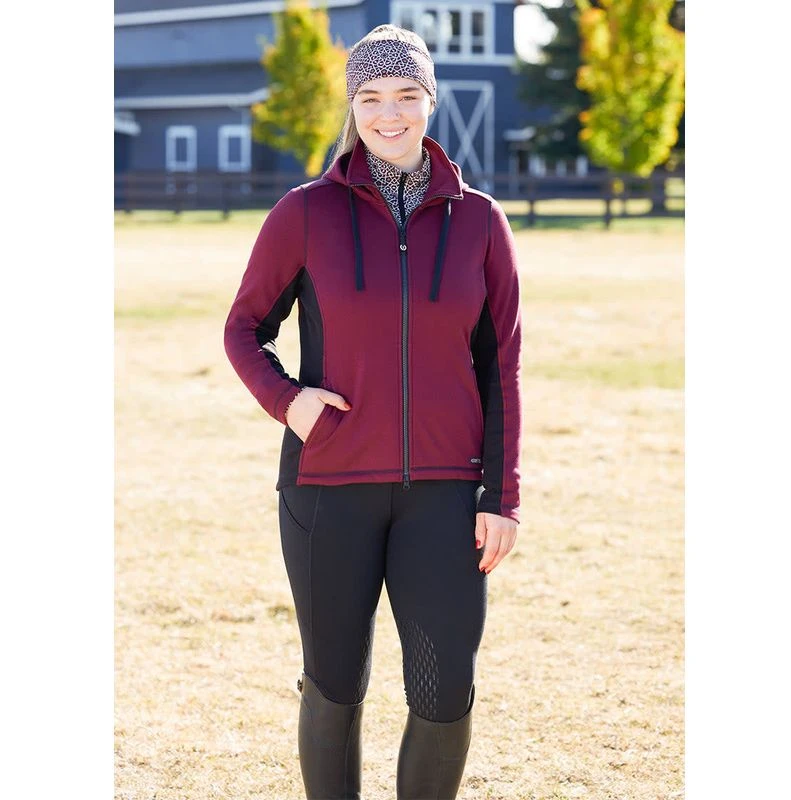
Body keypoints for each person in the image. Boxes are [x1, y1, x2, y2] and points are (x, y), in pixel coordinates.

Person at [224, 23, 522, 800]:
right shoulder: (304, 212)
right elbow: (244, 328)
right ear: (352, 107)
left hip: (446, 497)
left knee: (444, 690)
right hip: (328, 491)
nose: (390, 113)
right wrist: (288, 401)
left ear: (431, 101)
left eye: (407, 95)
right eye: (372, 97)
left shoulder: (481, 222)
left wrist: (502, 496)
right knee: (333, 685)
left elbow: (501, 367)